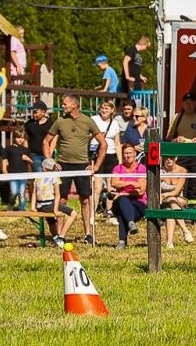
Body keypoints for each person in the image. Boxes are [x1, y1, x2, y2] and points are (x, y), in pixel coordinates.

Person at [44, 94, 104, 245]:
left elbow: (103, 144)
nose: (63, 106)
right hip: (63, 165)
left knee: (85, 200)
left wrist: (96, 165)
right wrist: (50, 161)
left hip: (82, 165)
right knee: (62, 200)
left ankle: (88, 234)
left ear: (74, 105)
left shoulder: (87, 121)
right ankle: (60, 235)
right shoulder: (60, 121)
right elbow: (46, 141)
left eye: (65, 104)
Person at [164, 91, 196, 200]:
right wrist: (176, 140)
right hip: (180, 154)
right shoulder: (177, 117)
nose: (188, 106)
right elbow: (168, 138)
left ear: (195, 104)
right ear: (182, 104)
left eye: (191, 103)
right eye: (186, 103)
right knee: (180, 182)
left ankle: (193, 205)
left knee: (195, 182)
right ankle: (179, 203)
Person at [108, 143, 147, 248]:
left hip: (139, 202)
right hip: (121, 201)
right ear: (122, 155)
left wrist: (122, 191)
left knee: (123, 211)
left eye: (130, 153)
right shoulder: (118, 168)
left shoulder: (141, 168)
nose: (128, 155)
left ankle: (122, 241)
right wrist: (132, 183)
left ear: (135, 154)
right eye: (125, 153)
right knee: (123, 201)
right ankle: (131, 223)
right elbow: (114, 182)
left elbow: (141, 191)